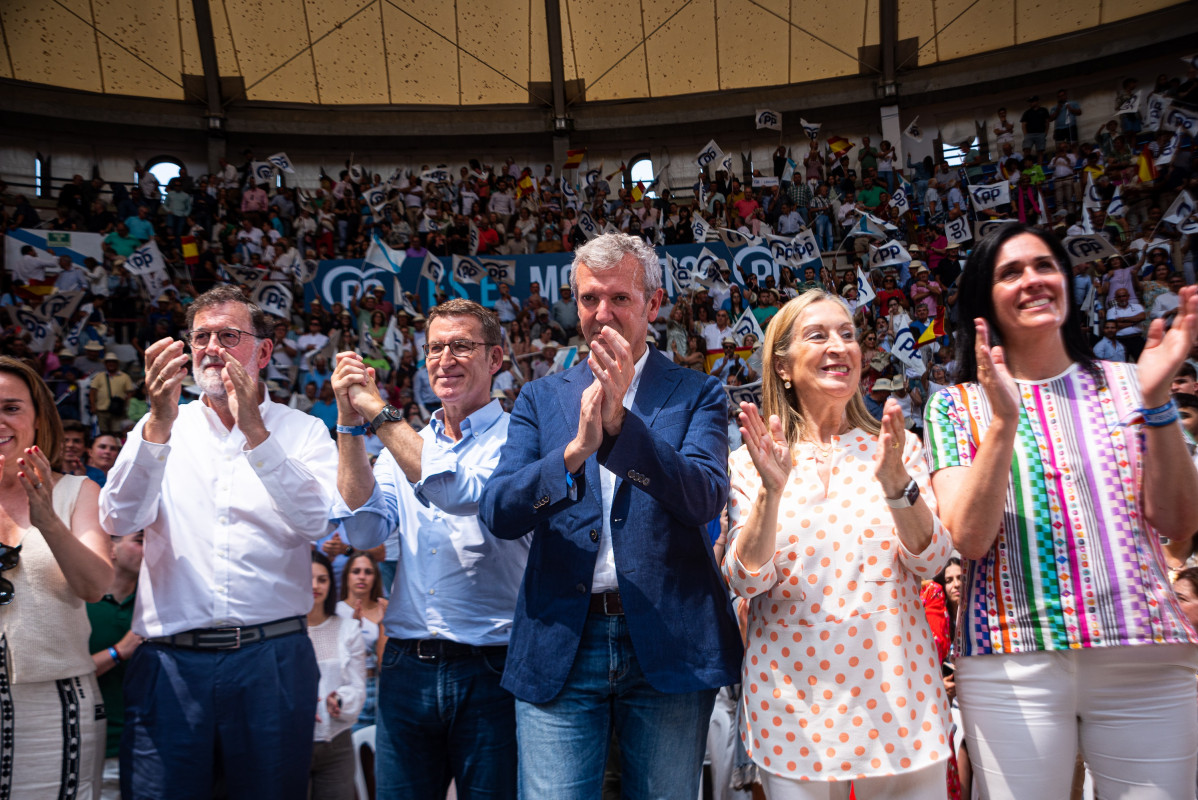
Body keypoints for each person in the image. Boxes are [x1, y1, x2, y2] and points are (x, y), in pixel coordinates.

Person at [924, 223, 1198, 800]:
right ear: (984, 299)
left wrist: (1157, 404)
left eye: (1045, 266)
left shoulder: (1134, 383)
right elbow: (968, 540)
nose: (1033, 281)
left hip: (1143, 652)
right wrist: (1002, 423)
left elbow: (1178, 522)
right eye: (1010, 272)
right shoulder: (957, 406)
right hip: (1011, 660)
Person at [478, 233, 743, 799]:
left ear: (652, 303)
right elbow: (500, 511)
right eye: (590, 299)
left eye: (619, 298)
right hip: (560, 642)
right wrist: (575, 452)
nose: (603, 314)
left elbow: (703, 498)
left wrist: (623, 425)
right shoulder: (539, 399)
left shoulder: (698, 393)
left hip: (670, 644)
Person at [99, 285, 338, 799]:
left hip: (272, 659)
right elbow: (119, 517)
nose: (212, 348)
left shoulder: (305, 431)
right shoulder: (160, 425)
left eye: (229, 336)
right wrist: (158, 425)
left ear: (264, 351)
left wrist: (255, 430)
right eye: (201, 336)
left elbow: (318, 522)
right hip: (170, 664)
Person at [723, 291, 951, 798]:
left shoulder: (898, 448)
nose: (839, 346)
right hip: (793, 713)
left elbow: (933, 560)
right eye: (818, 334)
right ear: (782, 367)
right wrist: (771, 491)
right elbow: (746, 578)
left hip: (899, 703)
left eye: (847, 334)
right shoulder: (750, 462)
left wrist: (896, 487)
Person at [331, 298, 528, 799]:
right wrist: (350, 426)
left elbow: (457, 491)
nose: (446, 359)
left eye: (462, 345)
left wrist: (375, 408)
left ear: (496, 359)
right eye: (435, 347)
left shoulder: (522, 440)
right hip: (407, 666)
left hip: (493, 668)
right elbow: (362, 532)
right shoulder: (406, 444)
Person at [0, 356, 113, 796]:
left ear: (37, 417)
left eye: (12, 407)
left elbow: (95, 585)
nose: (1, 421)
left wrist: (47, 518)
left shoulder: (79, 492)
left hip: (57, 708)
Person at [87, 530, 144, 799]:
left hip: (146, 748)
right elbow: (63, 672)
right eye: (140, 541)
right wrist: (119, 651)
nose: (149, 550)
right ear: (111, 547)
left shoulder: (155, 606)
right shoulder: (79, 602)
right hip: (93, 749)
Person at [307, 551, 366, 800]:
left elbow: (358, 686)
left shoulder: (348, 628)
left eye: (322, 579)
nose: (314, 586)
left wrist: (339, 700)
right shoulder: (283, 632)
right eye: (308, 579)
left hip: (337, 743)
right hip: (292, 740)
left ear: (331, 584)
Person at [337, 551, 388, 731]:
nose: (362, 577)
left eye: (368, 572)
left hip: (382, 686)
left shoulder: (384, 607)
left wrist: (384, 625)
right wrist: (353, 629)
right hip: (350, 685)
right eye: (356, 571)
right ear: (346, 576)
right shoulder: (336, 611)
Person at [88, 352, 134, 435]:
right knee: (103, 432)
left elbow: (130, 392)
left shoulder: (125, 376)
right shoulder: (99, 376)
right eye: (108, 362)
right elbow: (92, 392)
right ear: (105, 364)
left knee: (116, 432)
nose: (111, 364)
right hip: (101, 409)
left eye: (113, 362)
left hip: (117, 410)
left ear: (117, 364)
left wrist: (125, 405)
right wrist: (93, 406)